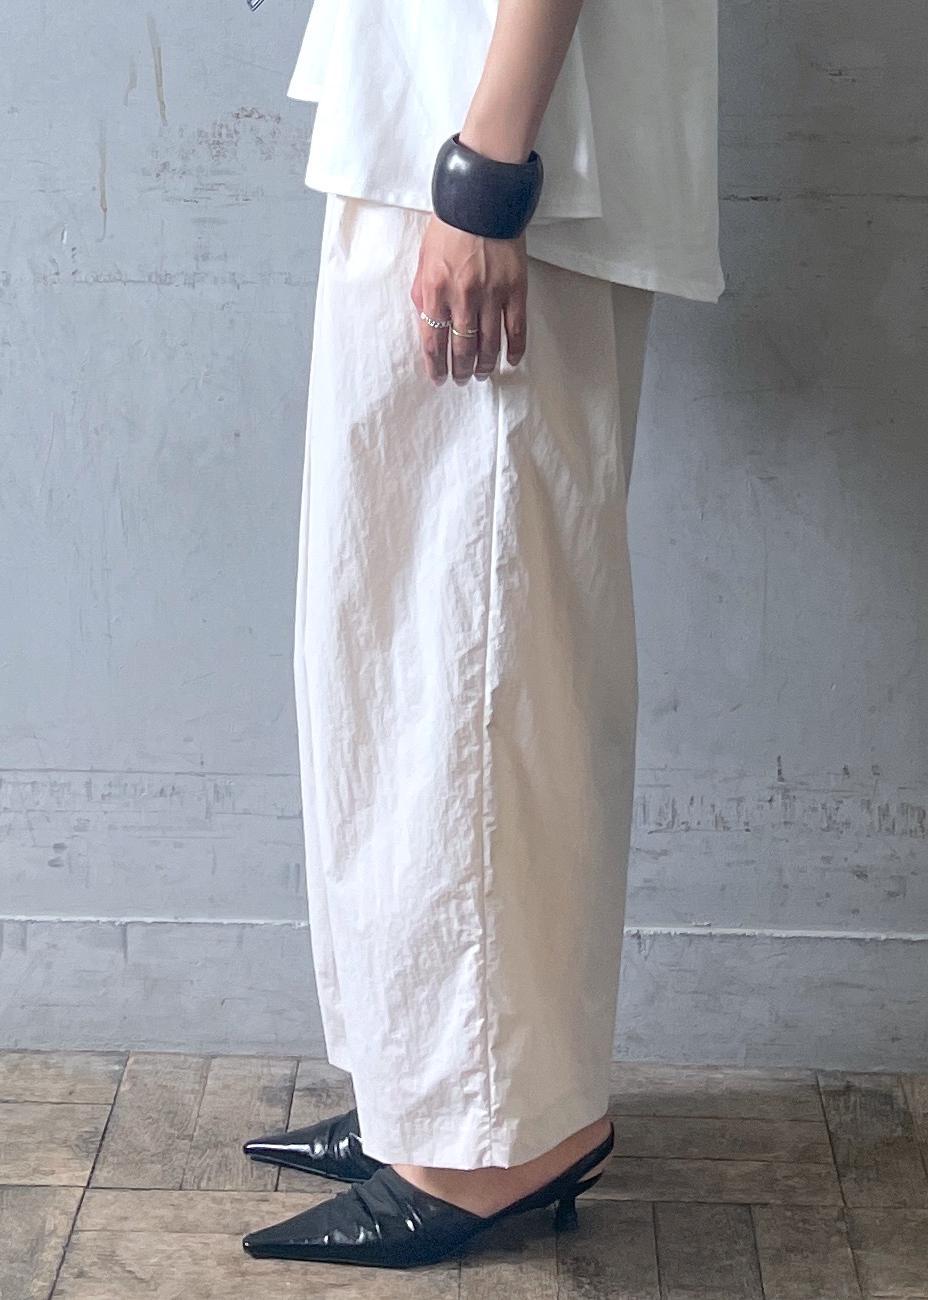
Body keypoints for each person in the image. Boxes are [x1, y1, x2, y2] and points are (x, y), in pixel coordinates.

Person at [242, 0, 724, 1270]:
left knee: (477, 656)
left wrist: (488, 172)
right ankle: (433, 1094)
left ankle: (495, 1134)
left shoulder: (492, 168)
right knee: (400, 647)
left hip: (500, 145)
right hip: (439, 122)